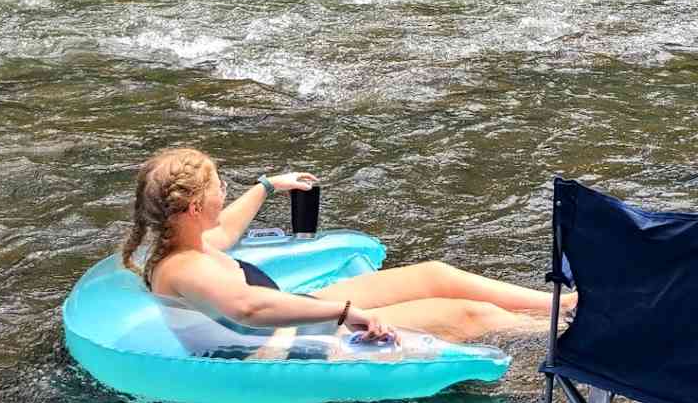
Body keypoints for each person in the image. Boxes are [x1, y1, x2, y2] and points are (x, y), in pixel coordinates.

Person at [121, 146, 569, 348]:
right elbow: (248, 310)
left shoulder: (186, 241)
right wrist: (345, 314)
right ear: (195, 206)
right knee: (468, 315)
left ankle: (561, 303)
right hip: (288, 338)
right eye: (220, 186)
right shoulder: (182, 269)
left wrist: (268, 186)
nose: (225, 193)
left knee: (434, 274)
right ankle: (570, 334)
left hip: (293, 308)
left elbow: (228, 232)